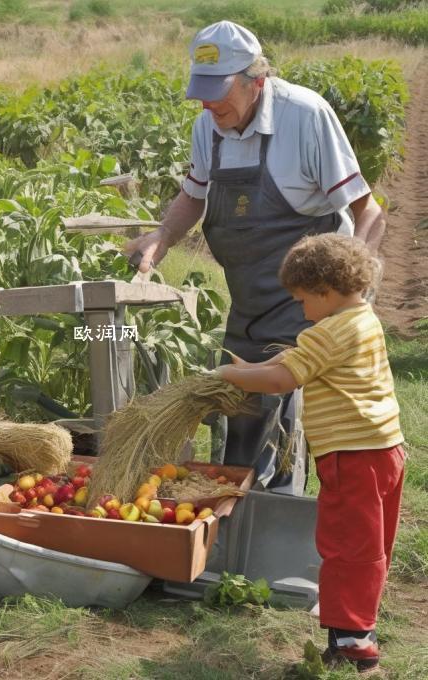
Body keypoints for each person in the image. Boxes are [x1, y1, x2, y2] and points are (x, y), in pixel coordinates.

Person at [124, 20, 386, 494]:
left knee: (277, 405)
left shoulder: (305, 115)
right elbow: (194, 194)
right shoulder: (209, 125)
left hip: (311, 296)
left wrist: (351, 296)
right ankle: (236, 514)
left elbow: (369, 211)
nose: (208, 105)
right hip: (247, 294)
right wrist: (160, 237)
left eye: (218, 94)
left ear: (256, 80)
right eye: (202, 93)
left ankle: (277, 512)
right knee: (240, 403)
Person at [218, 233, 404, 674]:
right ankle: (357, 630)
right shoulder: (363, 319)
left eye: (302, 300)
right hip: (384, 450)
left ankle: (354, 646)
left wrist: (227, 375)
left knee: (345, 548)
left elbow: (285, 379)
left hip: (352, 459)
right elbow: (290, 364)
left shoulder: (330, 330)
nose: (301, 309)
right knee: (370, 547)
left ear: (326, 290)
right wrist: (252, 370)